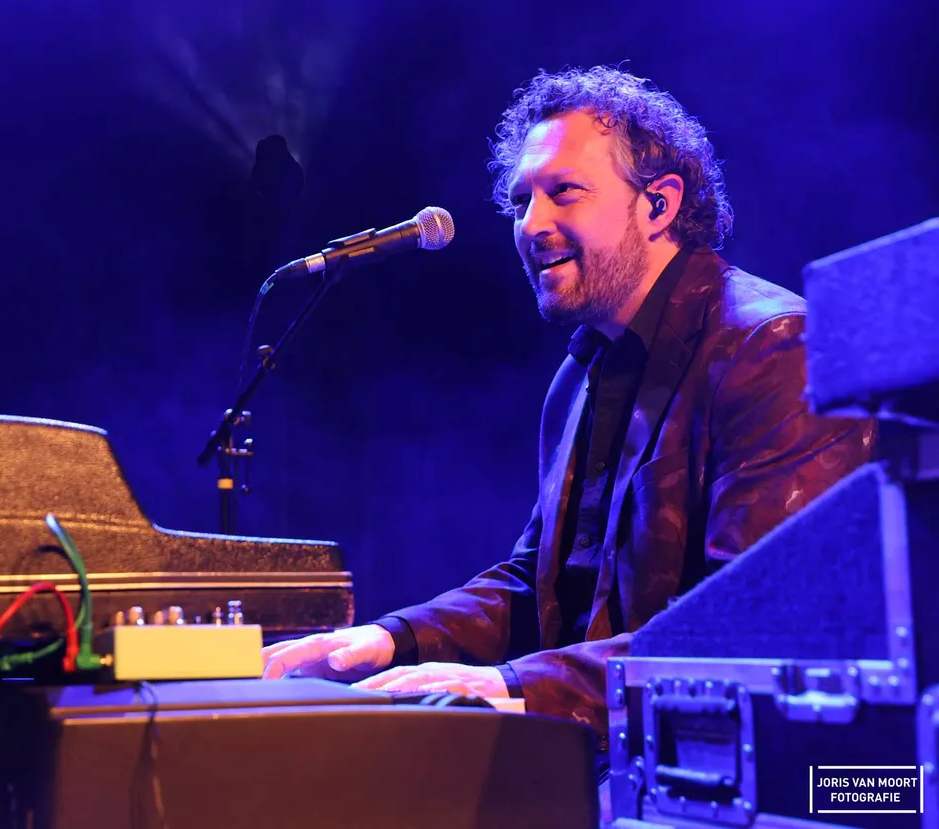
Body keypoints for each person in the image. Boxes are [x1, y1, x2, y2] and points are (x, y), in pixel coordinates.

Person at [262, 66, 873, 745]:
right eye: (521, 201)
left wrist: (514, 686)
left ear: (659, 205)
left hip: (745, 768)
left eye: (564, 193)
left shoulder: (774, 345)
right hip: (610, 752)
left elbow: (755, 621)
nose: (532, 224)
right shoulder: (582, 373)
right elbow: (540, 584)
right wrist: (387, 639)